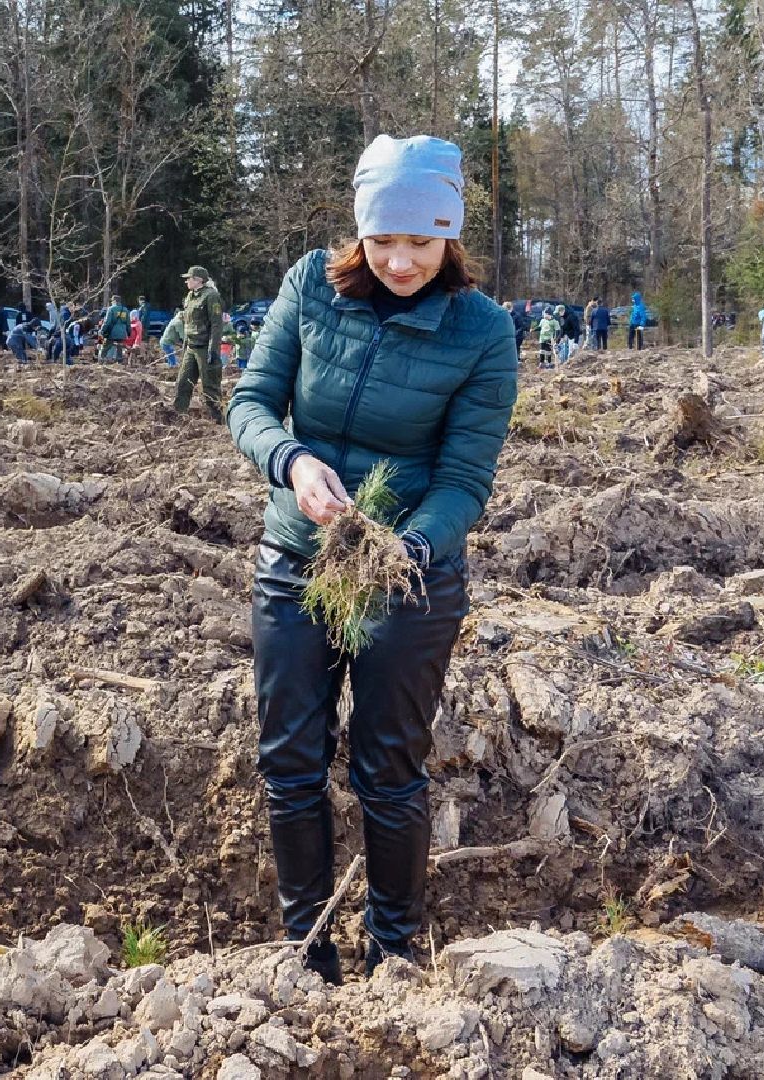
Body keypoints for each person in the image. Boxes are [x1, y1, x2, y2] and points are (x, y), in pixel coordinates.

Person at [227, 133, 517, 982]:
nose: (398, 261)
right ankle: (306, 953)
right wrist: (291, 463)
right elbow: (250, 402)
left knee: (387, 768)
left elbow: (463, 480)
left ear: (448, 237)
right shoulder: (310, 287)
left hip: (408, 576)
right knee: (289, 762)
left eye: (419, 242)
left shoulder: (481, 331)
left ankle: (392, 953)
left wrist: (404, 549)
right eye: (382, 239)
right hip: (296, 557)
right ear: (359, 232)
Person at [176, 265, 225, 417]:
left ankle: (218, 419)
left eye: (189, 278)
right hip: (191, 347)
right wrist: (185, 346)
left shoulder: (211, 296)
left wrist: (213, 349)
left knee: (210, 386)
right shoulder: (190, 296)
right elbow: (188, 323)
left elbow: (216, 324)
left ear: (198, 280)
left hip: (204, 348)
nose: (186, 282)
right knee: (183, 383)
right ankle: (179, 415)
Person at [101, 295, 129, 362]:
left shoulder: (111, 309)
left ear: (114, 301)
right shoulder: (125, 310)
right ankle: (119, 360)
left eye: (112, 301)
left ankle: (102, 359)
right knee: (119, 346)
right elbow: (128, 323)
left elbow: (107, 322)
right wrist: (129, 332)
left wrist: (102, 330)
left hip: (112, 332)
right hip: (122, 332)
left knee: (106, 345)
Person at [537, 305, 560, 370]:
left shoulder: (554, 322)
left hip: (549, 338)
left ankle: (548, 363)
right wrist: (533, 329)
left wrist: (555, 339)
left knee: (548, 351)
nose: (544, 315)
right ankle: (541, 363)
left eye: (545, 314)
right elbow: (539, 327)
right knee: (541, 351)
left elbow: (557, 331)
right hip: (542, 338)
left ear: (548, 314)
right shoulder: (542, 320)